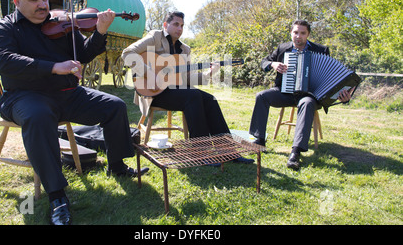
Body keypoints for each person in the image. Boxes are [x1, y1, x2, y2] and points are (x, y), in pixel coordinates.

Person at [0, 0, 148, 225]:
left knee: (114, 106)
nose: (42, 5)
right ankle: (57, 196)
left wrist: (100, 32)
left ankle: (116, 164)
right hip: (24, 97)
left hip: (66, 95)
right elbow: (4, 60)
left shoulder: (61, 23)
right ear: (17, 0)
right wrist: (54, 66)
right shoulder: (3, 29)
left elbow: (83, 53)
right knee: (38, 117)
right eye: (34, 0)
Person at [121, 11, 253, 165]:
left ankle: (229, 151)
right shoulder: (155, 37)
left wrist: (209, 73)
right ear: (166, 25)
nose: (180, 28)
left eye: (182, 25)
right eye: (176, 24)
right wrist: (150, 74)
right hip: (154, 92)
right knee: (193, 96)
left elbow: (187, 78)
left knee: (209, 99)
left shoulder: (185, 49)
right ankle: (201, 154)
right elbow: (128, 53)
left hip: (177, 91)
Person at [249, 20, 352, 170]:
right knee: (261, 96)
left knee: (306, 103)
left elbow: (332, 78)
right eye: (295, 32)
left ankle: (295, 152)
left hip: (310, 95)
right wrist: (273, 64)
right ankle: (259, 140)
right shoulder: (283, 48)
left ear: (308, 34)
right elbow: (264, 61)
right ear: (291, 33)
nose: (298, 36)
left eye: (302, 33)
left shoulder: (321, 50)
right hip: (285, 92)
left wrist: (343, 97)